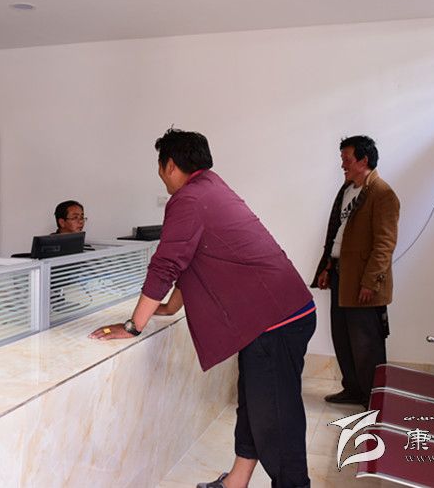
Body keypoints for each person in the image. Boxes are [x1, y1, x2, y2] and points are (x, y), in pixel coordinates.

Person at [90, 129, 315, 488]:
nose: (161, 175)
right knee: (255, 405)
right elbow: (195, 256)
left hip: (274, 320)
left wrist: (134, 325)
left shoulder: (189, 198)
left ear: (171, 165)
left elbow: (166, 263)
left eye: (160, 167)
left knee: (275, 417)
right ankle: (236, 481)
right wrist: (170, 306)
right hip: (282, 313)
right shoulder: (211, 187)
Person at [311, 135, 400, 408]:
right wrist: (328, 266)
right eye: (342, 159)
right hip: (342, 276)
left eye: (347, 159)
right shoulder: (348, 189)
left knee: (367, 343)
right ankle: (353, 389)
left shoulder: (382, 194)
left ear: (364, 160)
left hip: (364, 282)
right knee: (343, 338)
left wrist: (370, 282)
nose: (343, 165)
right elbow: (337, 233)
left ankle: (374, 398)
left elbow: (384, 244)